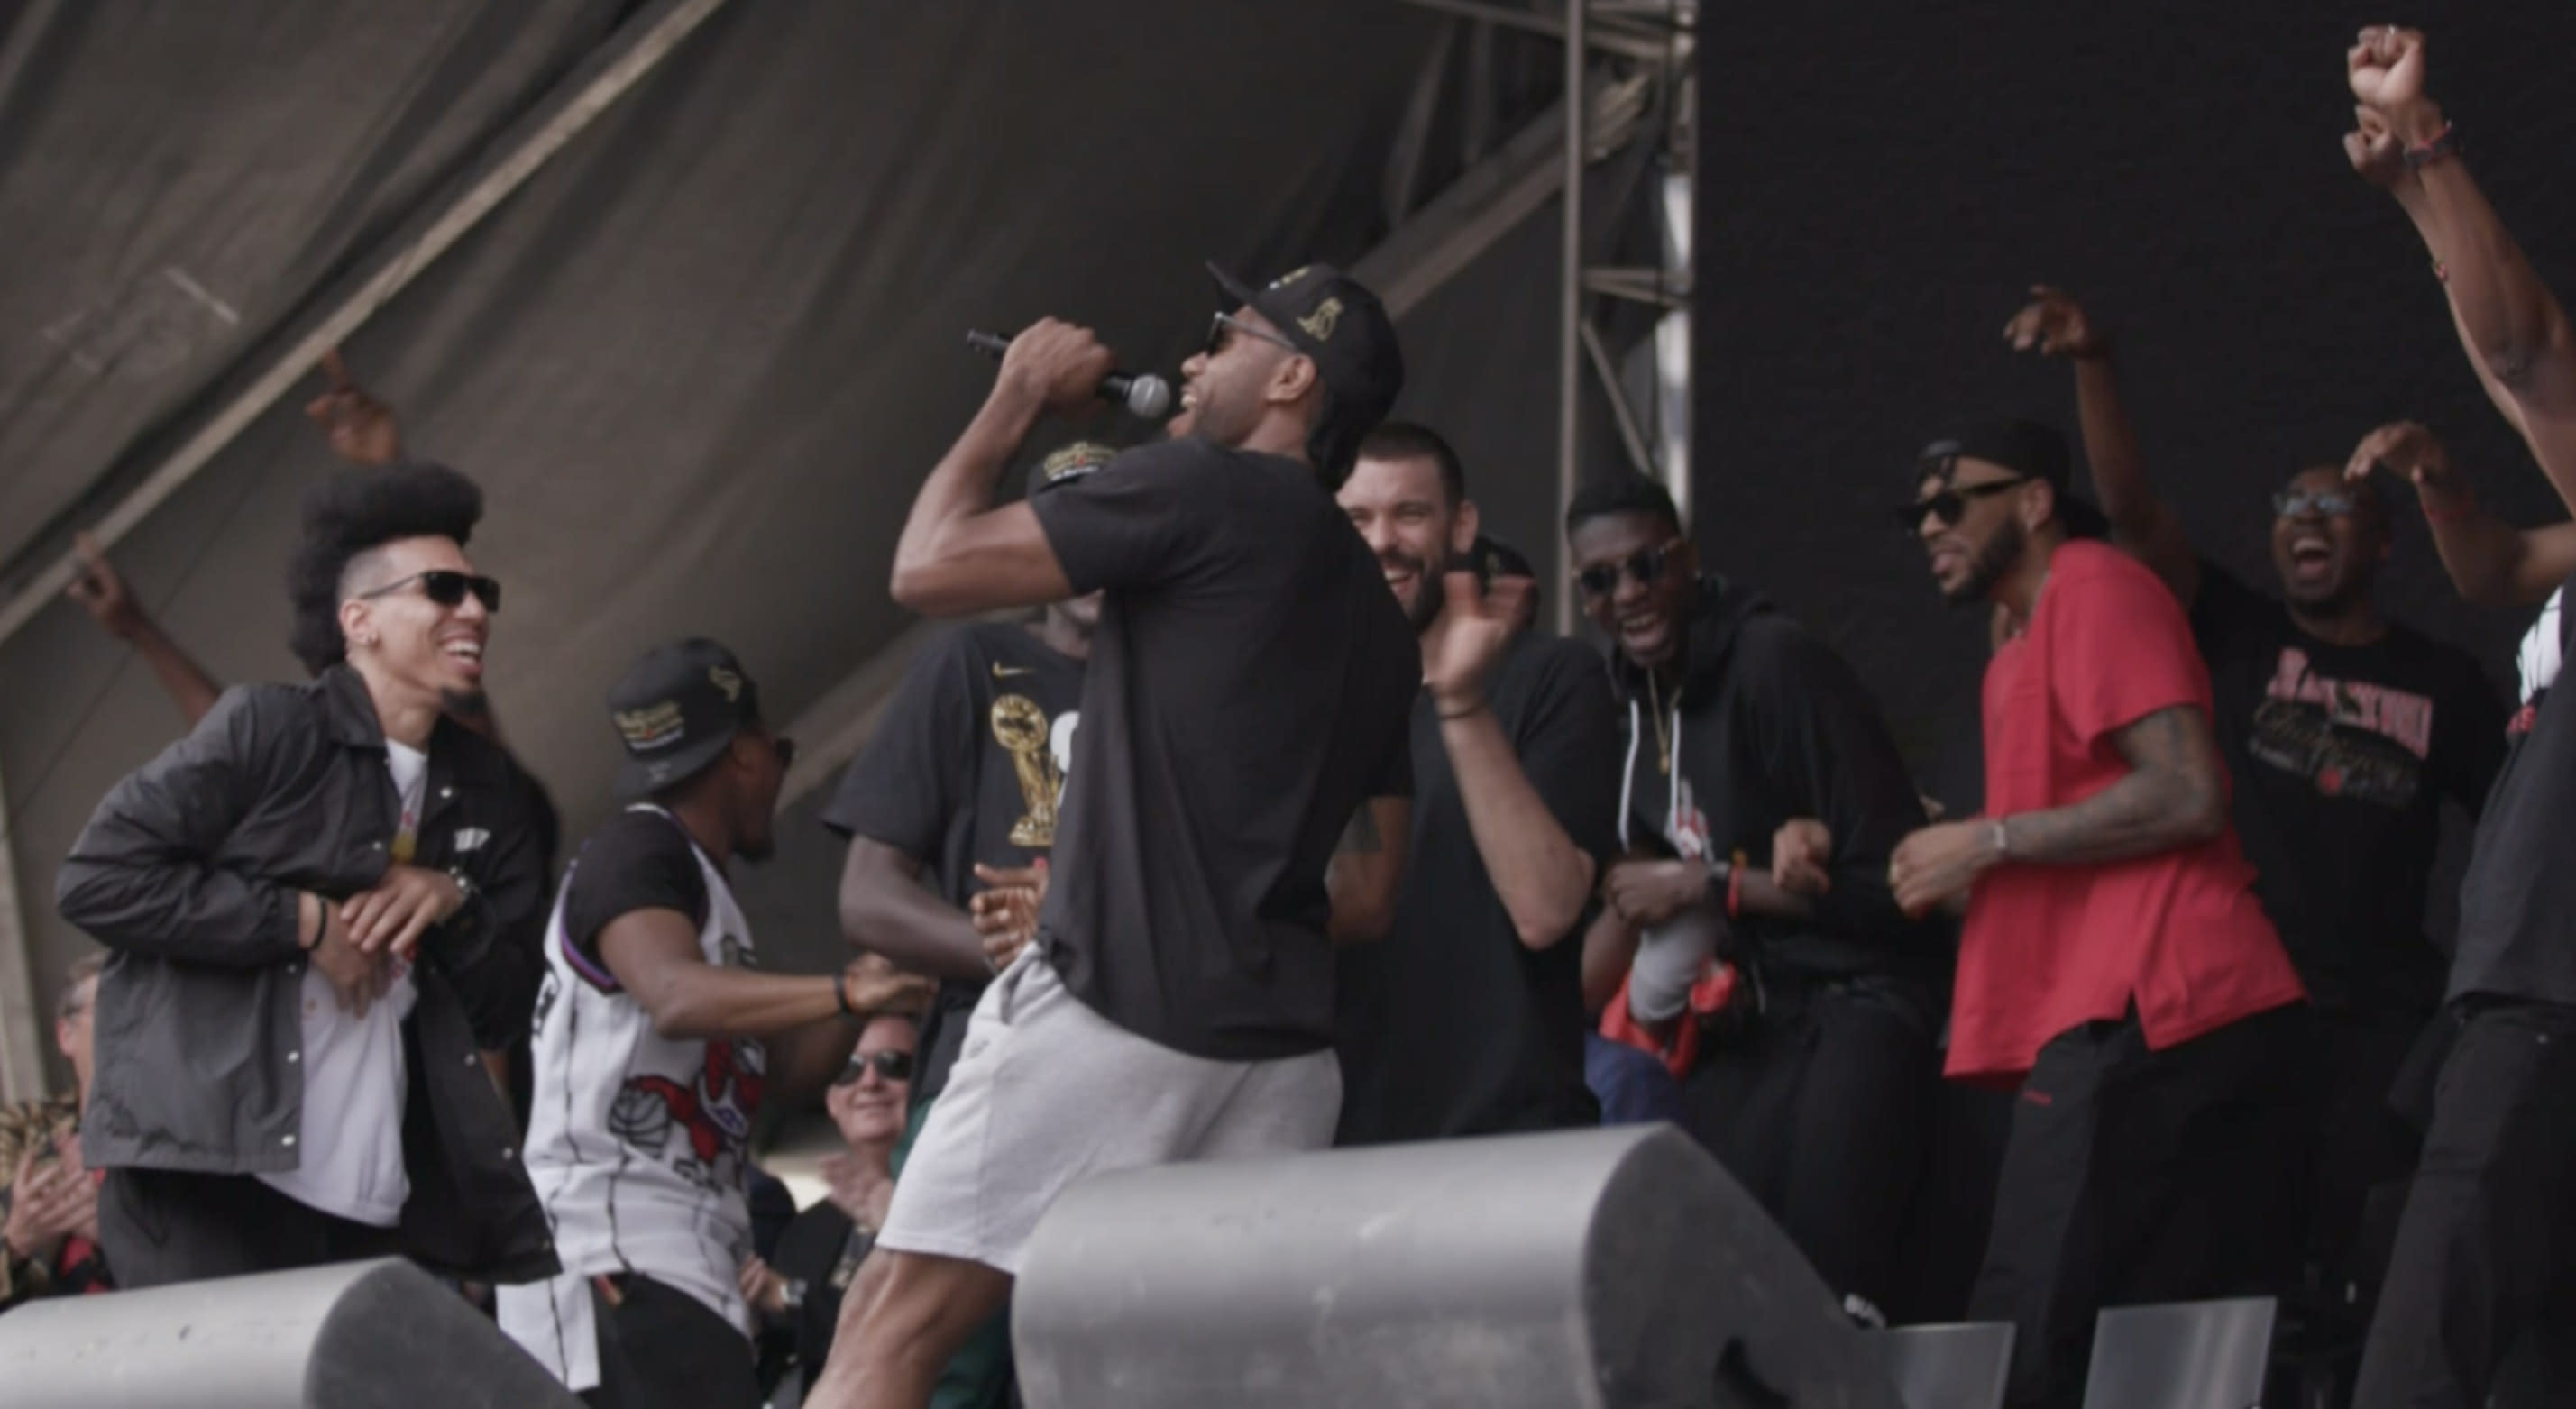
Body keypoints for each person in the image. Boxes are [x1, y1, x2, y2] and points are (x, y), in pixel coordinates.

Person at [806, 261, 1417, 1409]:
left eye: (1223, 339)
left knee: (888, 1333)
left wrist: (1017, 398)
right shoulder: (1381, 622)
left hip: (1120, 1013)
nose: (1191, 362)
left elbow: (926, 566)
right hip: (1283, 1057)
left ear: (1291, 376)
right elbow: (1371, 893)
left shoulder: (1203, 487)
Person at [2000, 285, 2507, 1303]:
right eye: (2290, 508)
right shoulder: (2237, 635)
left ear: (2382, 543)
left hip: (2376, 1020)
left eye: (2335, 508)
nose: (2306, 522)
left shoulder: (2443, 683)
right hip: (2240, 1008)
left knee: (2359, 1268)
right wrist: (2094, 362)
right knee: (2223, 1265)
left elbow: (2511, 833)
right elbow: (2136, 515)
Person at [55, 462, 555, 1290]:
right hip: (211, 1180)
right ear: (358, 619)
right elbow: (98, 876)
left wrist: (452, 902)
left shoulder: (487, 789)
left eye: (480, 591)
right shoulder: (273, 728)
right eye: (441, 588)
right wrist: (304, 922)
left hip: (374, 1204)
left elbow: (506, 1008)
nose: (472, 609)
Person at [1893, 419, 2311, 1407]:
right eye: (1916, 513)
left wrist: (1989, 841)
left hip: (2157, 999)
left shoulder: (2093, 584)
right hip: (2149, 1013)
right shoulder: (2016, 649)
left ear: (2035, 499)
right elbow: (2074, 829)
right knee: (2151, 1347)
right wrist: (1969, 856)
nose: (1928, 527)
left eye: (1953, 502)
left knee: (2028, 1323)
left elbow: (2185, 792)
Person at [496, 639, 930, 1409]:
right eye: (782, 750)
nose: (783, 772)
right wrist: (843, 989)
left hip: (681, 1262)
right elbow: (671, 995)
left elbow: (779, 1073)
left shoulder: (704, 896)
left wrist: (874, 987)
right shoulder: (638, 847)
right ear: (745, 753)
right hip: (612, 1247)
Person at [2338, 26, 2576, 1408]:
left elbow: (2531, 353)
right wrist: (2419, 197)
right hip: (2530, 973)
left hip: (2551, 984)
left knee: (2426, 1359)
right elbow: (2501, 555)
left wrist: (2428, 141)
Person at [1564, 471, 1942, 1321]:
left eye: (1647, 565)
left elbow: (1896, 887)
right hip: (1753, 1021)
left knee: (1823, 1302)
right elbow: (1641, 898)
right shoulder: (1625, 704)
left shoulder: (1775, 663)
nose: (1628, 593)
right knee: (1724, 1292)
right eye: (1599, 579)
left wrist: (1711, 883)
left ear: (1687, 561)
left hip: (1861, 1001)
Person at [823, 441, 1110, 1409]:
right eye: (1068, 528)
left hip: (1142, 1087)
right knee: (929, 1367)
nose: (1093, 551)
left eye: (1114, 524)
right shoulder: (973, 660)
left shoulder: (1178, 682)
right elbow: (866, 898)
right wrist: (1023, 951)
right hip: (988, 1074)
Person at [1330, 422, 1619, 1142]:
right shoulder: (1317, 705)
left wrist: (1458, 699)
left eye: (1410, 514)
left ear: (1461, 525)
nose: (1381, 541)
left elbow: (1548, 910)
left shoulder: (1550, 676)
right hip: (1341, 1149)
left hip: (1506, 1140)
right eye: (1356, 519)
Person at [739, 1014, 918, 1386]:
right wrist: (754, 1323)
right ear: (832, 1100)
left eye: (893, 1065)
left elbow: (913, 1325)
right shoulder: (806, 1228)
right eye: (848, 1070)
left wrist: (787, 1295)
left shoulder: (955, 1202)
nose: (869, 1082)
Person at [0, 958, 109, 1310]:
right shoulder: (19, 1132)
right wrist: (16, 1243)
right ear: (66, 1034)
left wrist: (119, 1233)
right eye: (110, 1007)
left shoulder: (191, 1134)